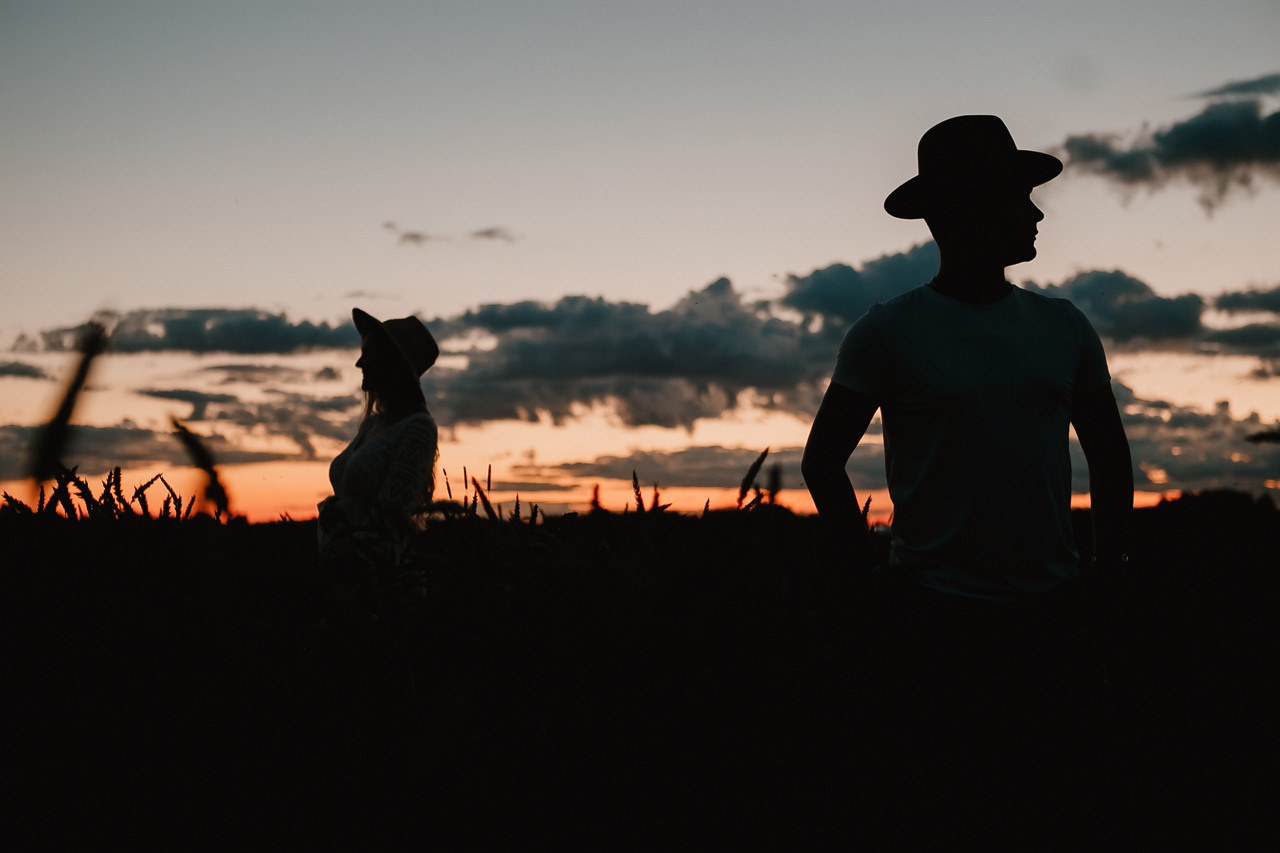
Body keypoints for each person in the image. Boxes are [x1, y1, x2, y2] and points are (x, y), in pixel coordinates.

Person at [800, 116, 1134, 837]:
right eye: (1020, 197)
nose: (1038, 212)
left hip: (1054, 614)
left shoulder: (1064, 326)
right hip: (936, 621)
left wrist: (1109, 573)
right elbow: (822, 461)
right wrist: (866, 572)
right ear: (968, 209)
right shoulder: (889, 331)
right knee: (952, 806)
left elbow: (1109, 453)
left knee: (1057, 807)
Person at [318, 308, 440, 596]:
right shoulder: (372, 425)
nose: (360, 363)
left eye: (369, 353)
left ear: (393, 362)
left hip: (382, 583)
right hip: (346, 577)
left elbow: (391, 516)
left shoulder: (418, 428)